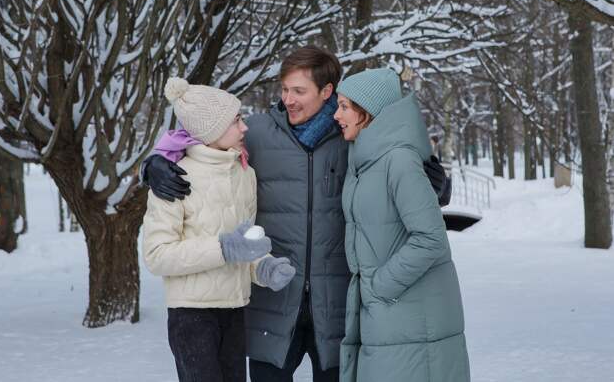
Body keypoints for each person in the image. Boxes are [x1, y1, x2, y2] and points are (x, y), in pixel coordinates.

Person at [142, 47, 451, 382]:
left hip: (333, 307)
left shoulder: (354, 138)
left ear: (327, 91)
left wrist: (437, 185)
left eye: (299, 91)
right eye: (285, 89)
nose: (288, 99)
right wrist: (154, 163)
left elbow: (397, 174)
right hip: (271, 304)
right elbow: (198, 140)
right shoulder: (255, 134)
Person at [142, 78, 296, 382]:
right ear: (209, 130)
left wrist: (262, 267)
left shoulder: (244, 173)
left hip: (235, 310)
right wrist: (222, 248)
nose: (244, 128)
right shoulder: (173, 177)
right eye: (235, 121)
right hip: (192, 315)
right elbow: (156, 256)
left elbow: (244, 243)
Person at [333, 68, 470, 382]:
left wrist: (380, 286)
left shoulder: (398, 161)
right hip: (389, 315)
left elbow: (430, 239)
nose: (336, 115)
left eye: (344, 106)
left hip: (407, 315)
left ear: (367, 111)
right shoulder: (366, 160)